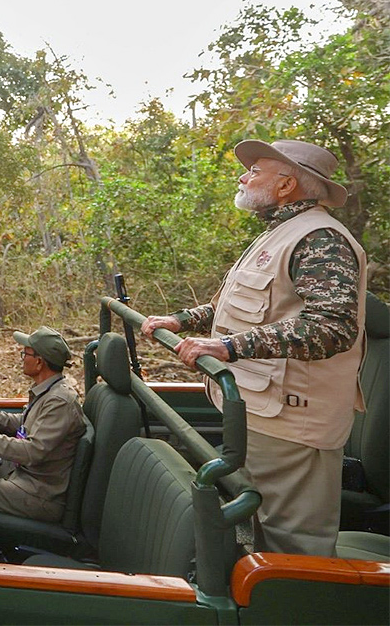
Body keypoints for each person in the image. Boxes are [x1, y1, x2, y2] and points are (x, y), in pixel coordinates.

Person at [142, 138, 367, 558]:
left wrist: (228, 346)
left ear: (286, 185)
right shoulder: (281, 232)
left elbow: (332, 327)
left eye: (255, 171)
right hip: (263, 410)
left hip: (294, 422)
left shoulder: (321, 239)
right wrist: (182, 321)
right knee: (263, 538)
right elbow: (238, 304)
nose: (243, 177)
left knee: (295, 551)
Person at [0, 326, 86, 532]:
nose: (22, 358)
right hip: (22, 472)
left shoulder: (60, 401)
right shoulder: (48, 391)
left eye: (26, 354)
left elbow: (31, 452)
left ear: (39, 362)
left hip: (39, 493)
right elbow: (23, 422)